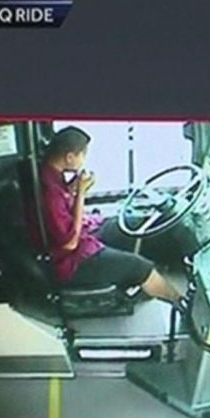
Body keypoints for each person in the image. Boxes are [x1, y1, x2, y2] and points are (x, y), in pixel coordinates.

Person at [30, 126, 187, 309]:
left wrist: (72, 189)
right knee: (140, 267)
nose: (84, 159)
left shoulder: (51, 175)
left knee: (125, 228)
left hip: (84, 235)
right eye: (83, 154)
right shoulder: (49, 191)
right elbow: (69, 243)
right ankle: (181, 303)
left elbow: (63, 211)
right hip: (70, 261)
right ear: (70, 157)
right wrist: (81, 193)